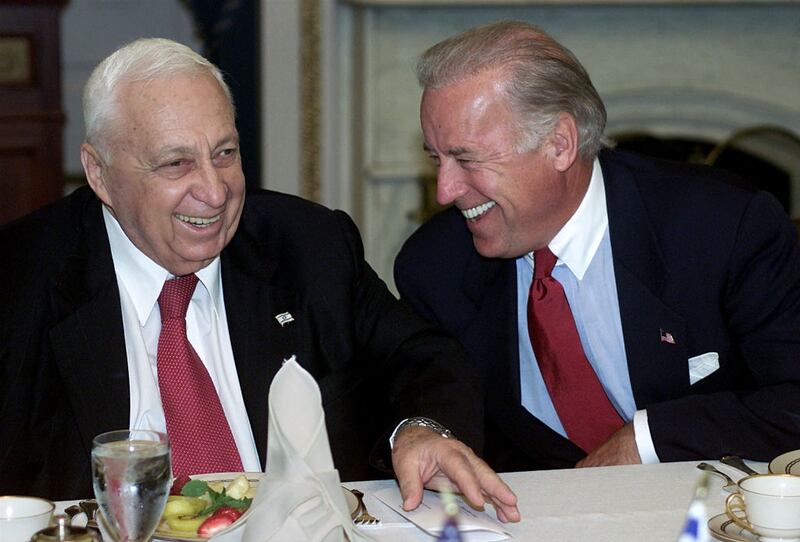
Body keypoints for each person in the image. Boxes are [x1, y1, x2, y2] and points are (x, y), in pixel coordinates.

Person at [0, 37, 519, 522]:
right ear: (99, 173)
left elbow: (424, 357)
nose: (214, 190)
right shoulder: (19, 282)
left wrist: (422, 429)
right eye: (176, 163)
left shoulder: (307, 246)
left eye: (225, 154)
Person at [395, 20, 800, 472]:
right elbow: (427, 401)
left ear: (560, 144)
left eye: (466, 158)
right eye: (436, 159)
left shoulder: (722, 226)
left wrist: (646, 439)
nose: (445, 191)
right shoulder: (433, 267)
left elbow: (793, 400)